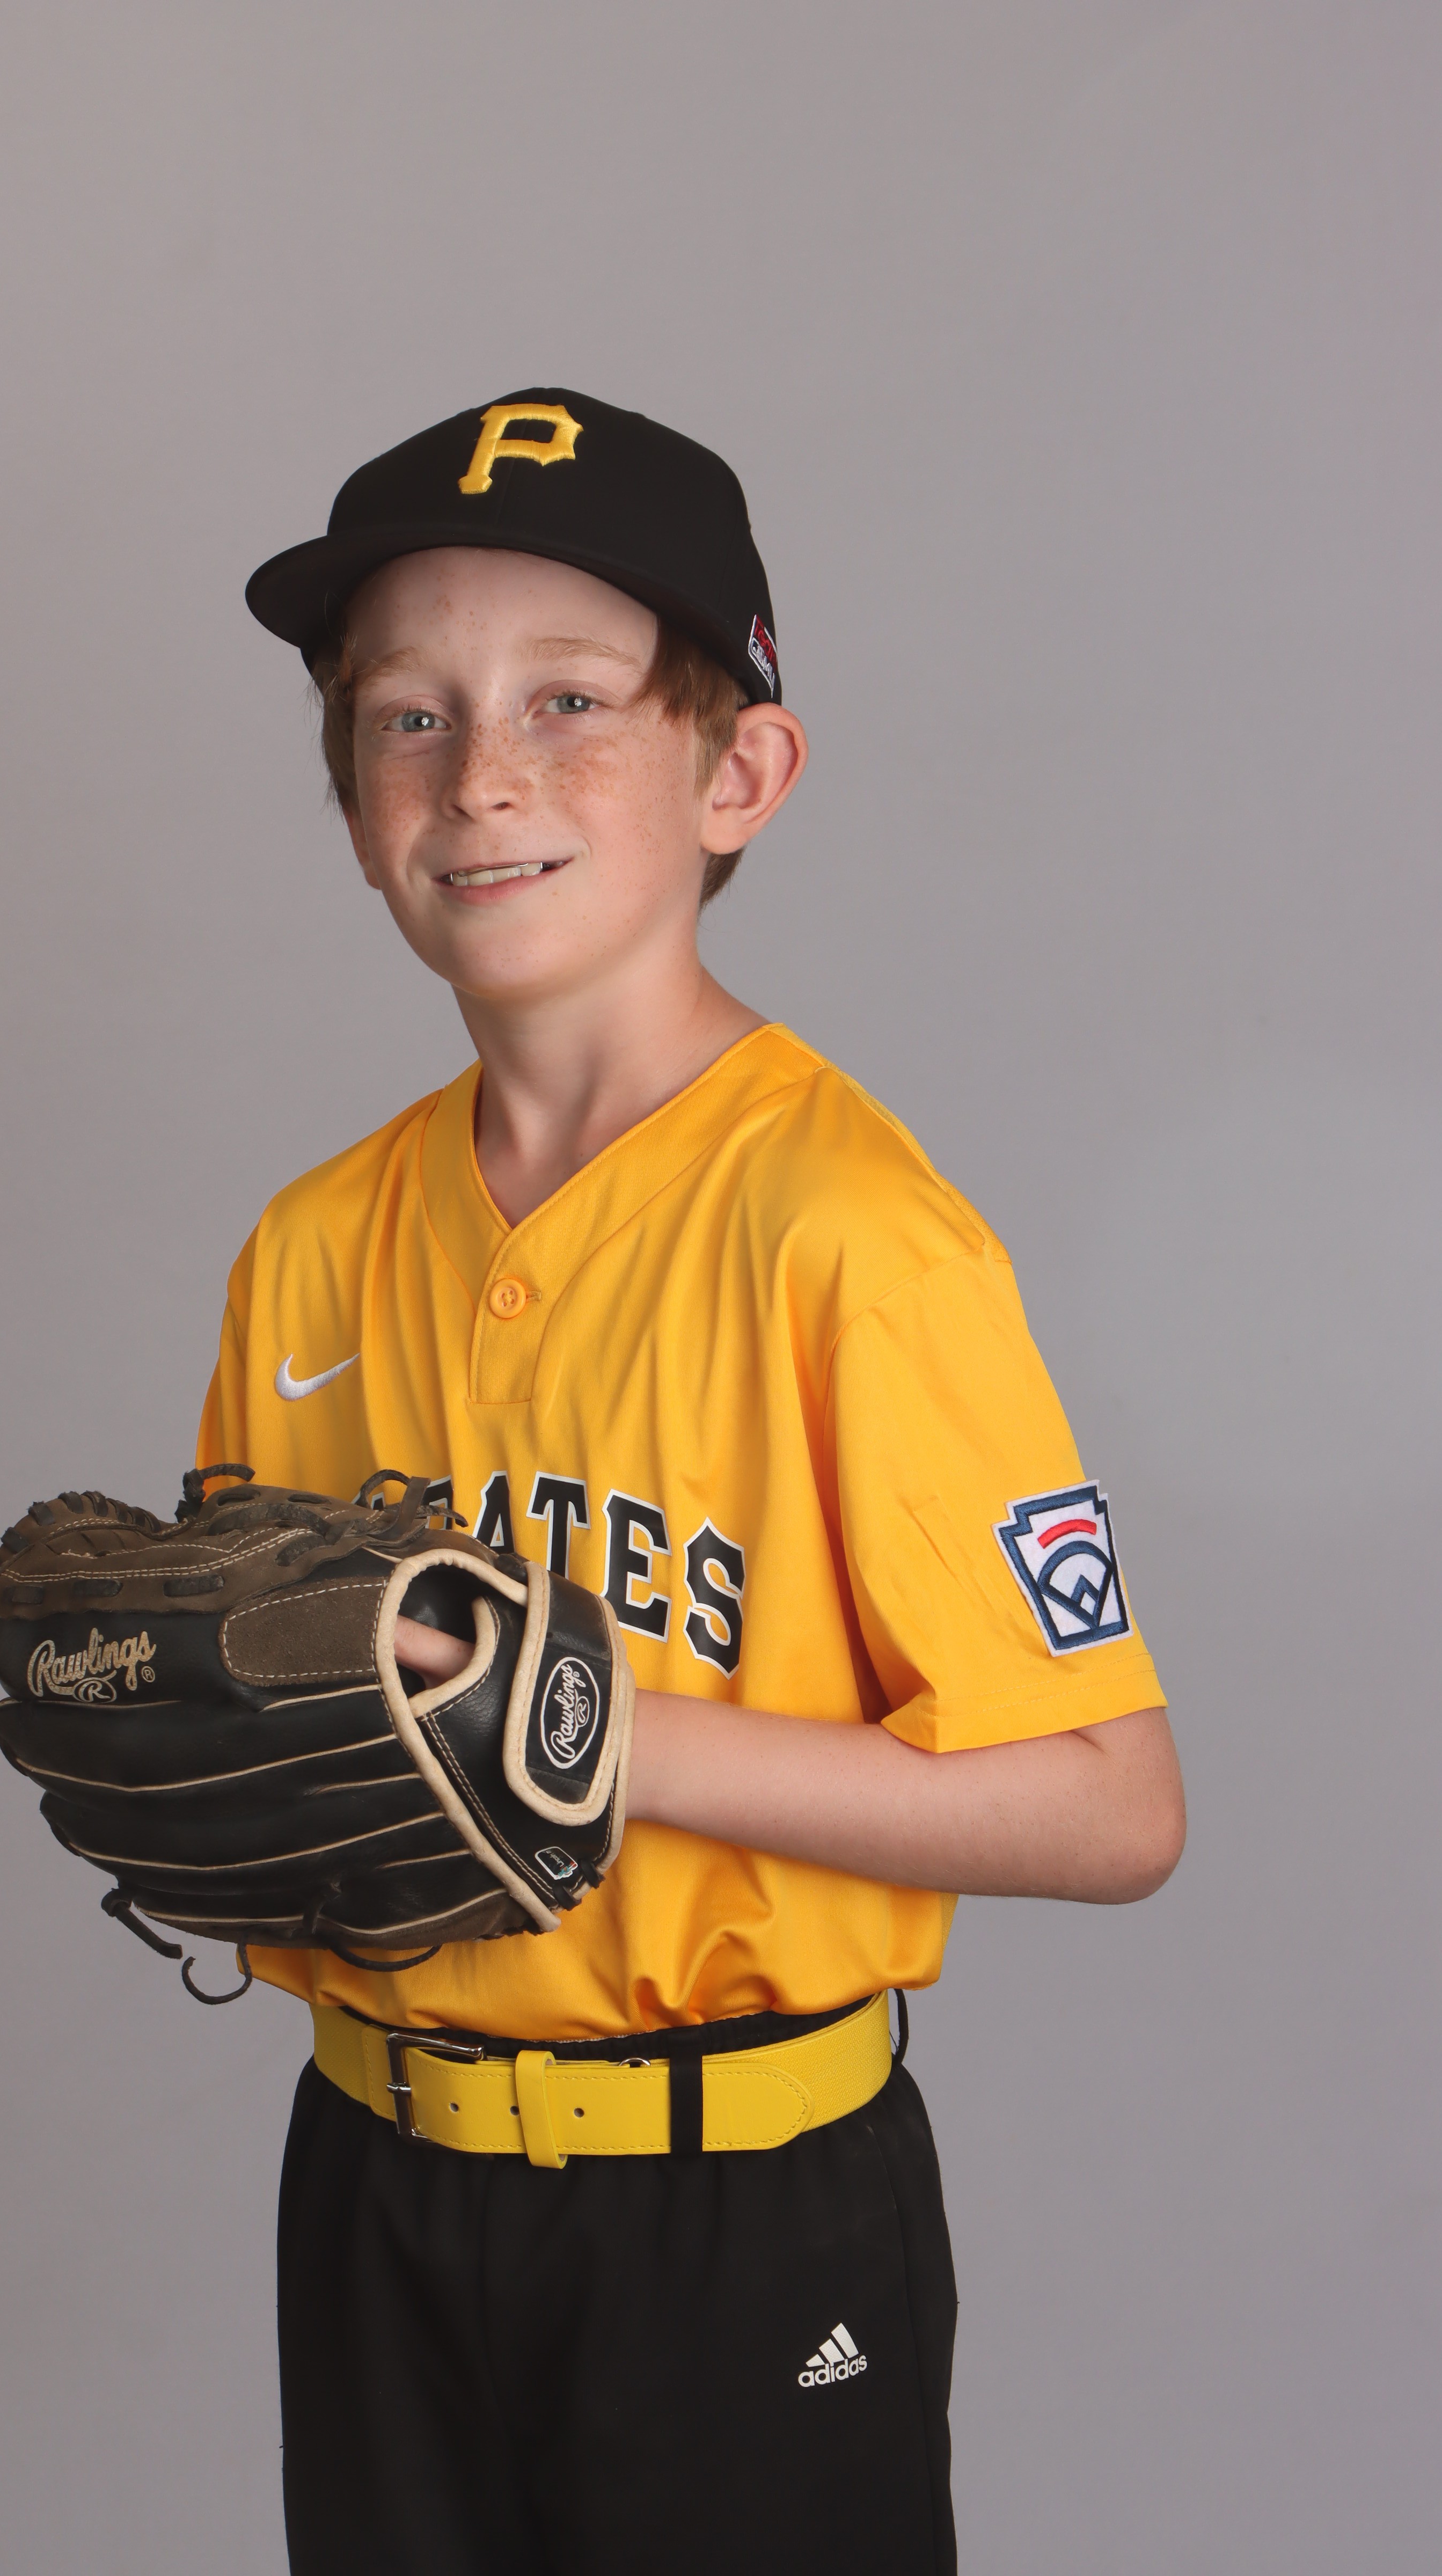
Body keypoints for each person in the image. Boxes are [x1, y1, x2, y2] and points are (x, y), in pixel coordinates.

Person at [197, 388, 1185, 2575]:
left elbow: (1110, 1809)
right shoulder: (309, 1249)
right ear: (354, 806)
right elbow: (295, 1737)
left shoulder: (850, 1234)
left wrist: (576, 1731)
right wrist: (212, 1768)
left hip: (737, 2204)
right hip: (375, 2176)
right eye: (408, 717)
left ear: (738, 771)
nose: (481, 777)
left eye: (570, 702)